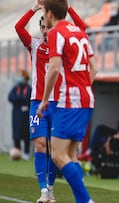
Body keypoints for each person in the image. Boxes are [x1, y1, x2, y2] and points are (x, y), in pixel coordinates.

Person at [14, 0, 87, 202]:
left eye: (49, 27)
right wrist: (35, 8)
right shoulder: (34, 45)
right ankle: (43, 192)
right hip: (38, 102)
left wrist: (67, 7)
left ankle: (50, 188)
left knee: (56, 150)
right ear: (40, 29)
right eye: (43, 28)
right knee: (39, 145)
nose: (46, 31)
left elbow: (81, 28)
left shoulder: (62, 44)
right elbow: (18, 28)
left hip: (59, 103)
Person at [36, 0, 97, 202]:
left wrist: (44, 100)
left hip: (70, 100)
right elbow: (93, 68)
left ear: (50, 13)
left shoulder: (55, 33)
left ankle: (87, 200)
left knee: (57, 155)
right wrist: (83, 87)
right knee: (70, 156)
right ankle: (82, 200)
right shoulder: (80, 32)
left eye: (44, 13)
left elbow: (53, 68)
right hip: (86, 98)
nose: (44, 17)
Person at [8, 69, 32, 161]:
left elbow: (28, 99)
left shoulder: (28, 88)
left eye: (20, 75)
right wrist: (20, 99)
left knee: (26, 132)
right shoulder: (16, 88)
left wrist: (19, 99)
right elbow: (10, 97)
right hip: (16, 113)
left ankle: (26, 153)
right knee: (16, 133)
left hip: (25, 114)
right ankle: (16, 152)